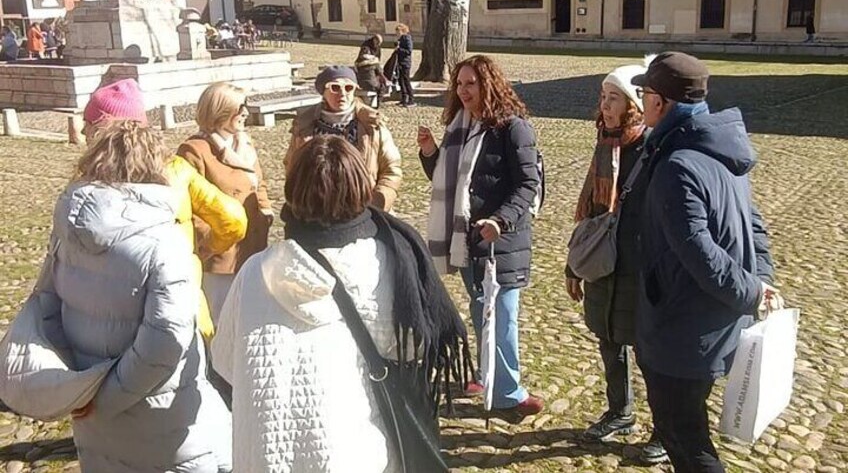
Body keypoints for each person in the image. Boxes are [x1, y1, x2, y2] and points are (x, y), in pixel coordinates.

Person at [212, 136, 469, 473]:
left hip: (268, 454)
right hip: (354, 451)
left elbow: (225, 363)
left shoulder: (252, 274)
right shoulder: (383, 262)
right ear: (360, 187)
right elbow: (410, 348)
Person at [42, 119, 232, 472]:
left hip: (94, 421)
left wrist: (76, 391)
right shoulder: (165, 242)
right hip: (165, 426)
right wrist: (108, 398)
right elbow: (168, 340)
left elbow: (44, 311)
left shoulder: (66, 236)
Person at [632, 52, 777, 472]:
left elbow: (699, 250)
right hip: (708, 320)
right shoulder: (716, 146)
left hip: (683, 330)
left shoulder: (677, 163)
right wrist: (761, 280)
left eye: (644, 94)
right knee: (687, 429)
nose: (642, 103)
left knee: (684, 437)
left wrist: (753, 291)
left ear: (661, 102)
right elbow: (756, 225)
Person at [417, 54, 543, 422]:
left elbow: (527, 184)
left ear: (489, 84)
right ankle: (487, 376)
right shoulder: (461, 126)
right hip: (469, 240)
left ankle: (508, 394)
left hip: (503, 242)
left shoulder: (513, 127)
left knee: (501, 316)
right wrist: (430, 153)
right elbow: (450, 181)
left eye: (471, 83)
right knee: (480, 311)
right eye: (459, 84)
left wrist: (500, 220)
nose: (464, 90)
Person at [81, 78, 248, 341]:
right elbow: (233, 219)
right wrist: (198, 252)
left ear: (102, 130)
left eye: (87, 124)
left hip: (110, 319)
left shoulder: (84, 186)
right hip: (184, 308)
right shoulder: (178, 169)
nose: (82, 132)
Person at [565, 62, 667, 464]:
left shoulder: (652, 147)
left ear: (633, 105)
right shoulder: (605, 144)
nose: (604, 105)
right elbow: (590, 211)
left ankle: (664, 429)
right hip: (605, 261)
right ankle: (620, 411)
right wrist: (574, 266)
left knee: (649, 352)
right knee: (609, 339)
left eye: (613, 98)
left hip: (640, 266)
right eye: (603, 97)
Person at [177, 82, 273, 325]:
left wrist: (266, 211)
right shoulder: (194, 151)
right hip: (221, 258)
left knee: (250, 317)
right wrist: (213, 241)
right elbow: (188, 206)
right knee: (223, 321)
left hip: (253, 249)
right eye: (240, 107)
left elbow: (257, 183)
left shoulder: (244, 144)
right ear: (220, 110)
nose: (245, 113)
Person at [285, 65, 402, 211]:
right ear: (323, 92)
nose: (342, 93)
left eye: (348, 88)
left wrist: (377, 205)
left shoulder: (372, 125)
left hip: (365, 209)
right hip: (317, 211)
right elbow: (292, 167)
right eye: (335, 88)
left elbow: (392, 169)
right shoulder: (304, 126)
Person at [355, 34, 389, 107]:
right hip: (369, 83)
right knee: (382, 86)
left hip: (360, 81)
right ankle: (378, 103)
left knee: (376, 81)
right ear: (374, 40)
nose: (378, 45)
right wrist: (383, 78)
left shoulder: (361, 62)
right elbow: (379, 71)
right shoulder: (374, 62)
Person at [394, 23, 416, 107]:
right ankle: (403, 99)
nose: (397, 34)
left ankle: (411, 99)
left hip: (405, 63)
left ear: (402, 31)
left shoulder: (407, 38)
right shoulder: (400, 39)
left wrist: (399, 49)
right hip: (400, 63)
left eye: (398, 32)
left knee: (406, 81)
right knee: (401, 81)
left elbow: (409, 51)